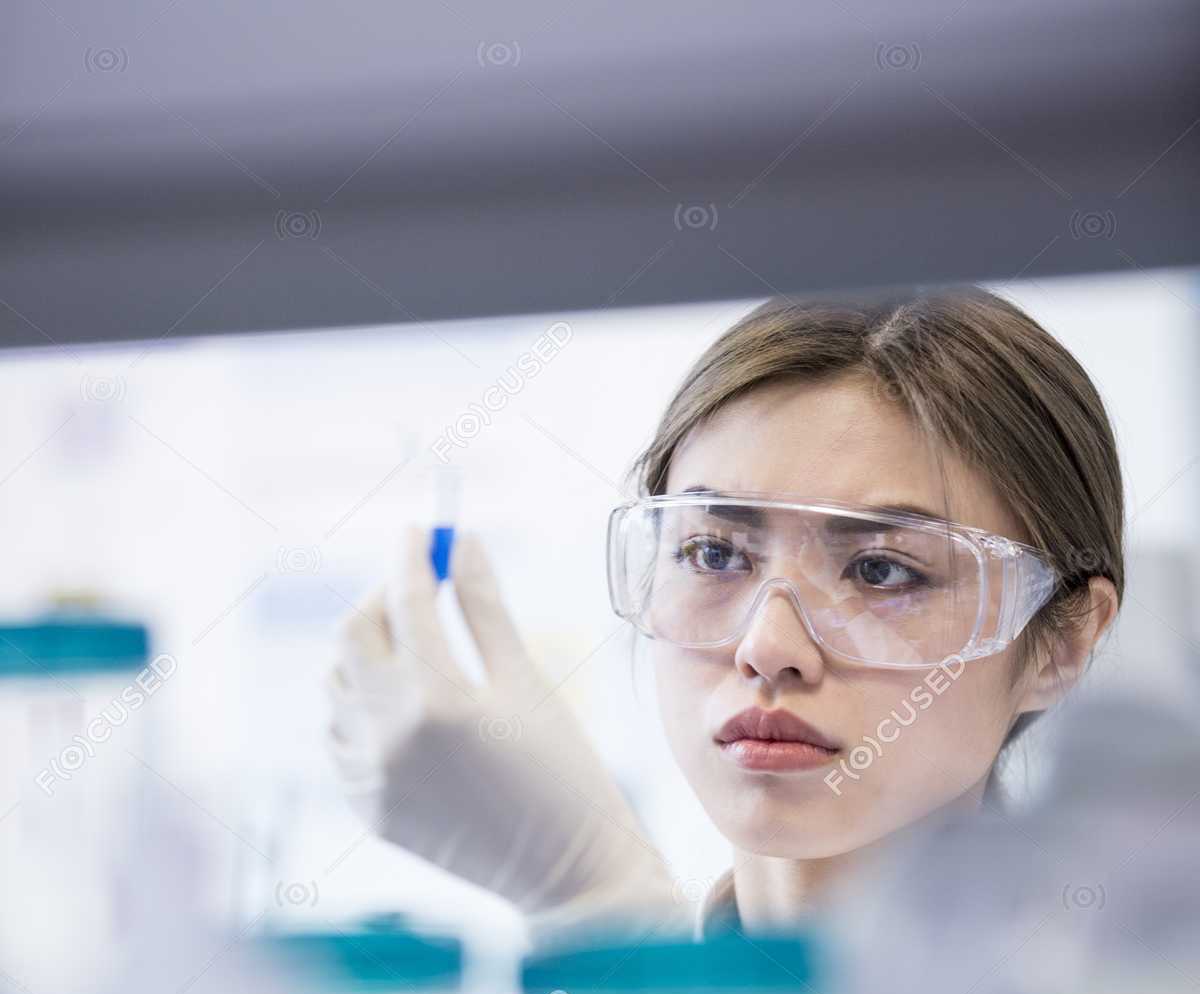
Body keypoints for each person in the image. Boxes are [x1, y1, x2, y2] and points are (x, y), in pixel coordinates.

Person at [327, 287, 1122, 950]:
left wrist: (607, 915)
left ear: (1063, 642)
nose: (767, 648)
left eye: (882, 570)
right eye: (714, 555)